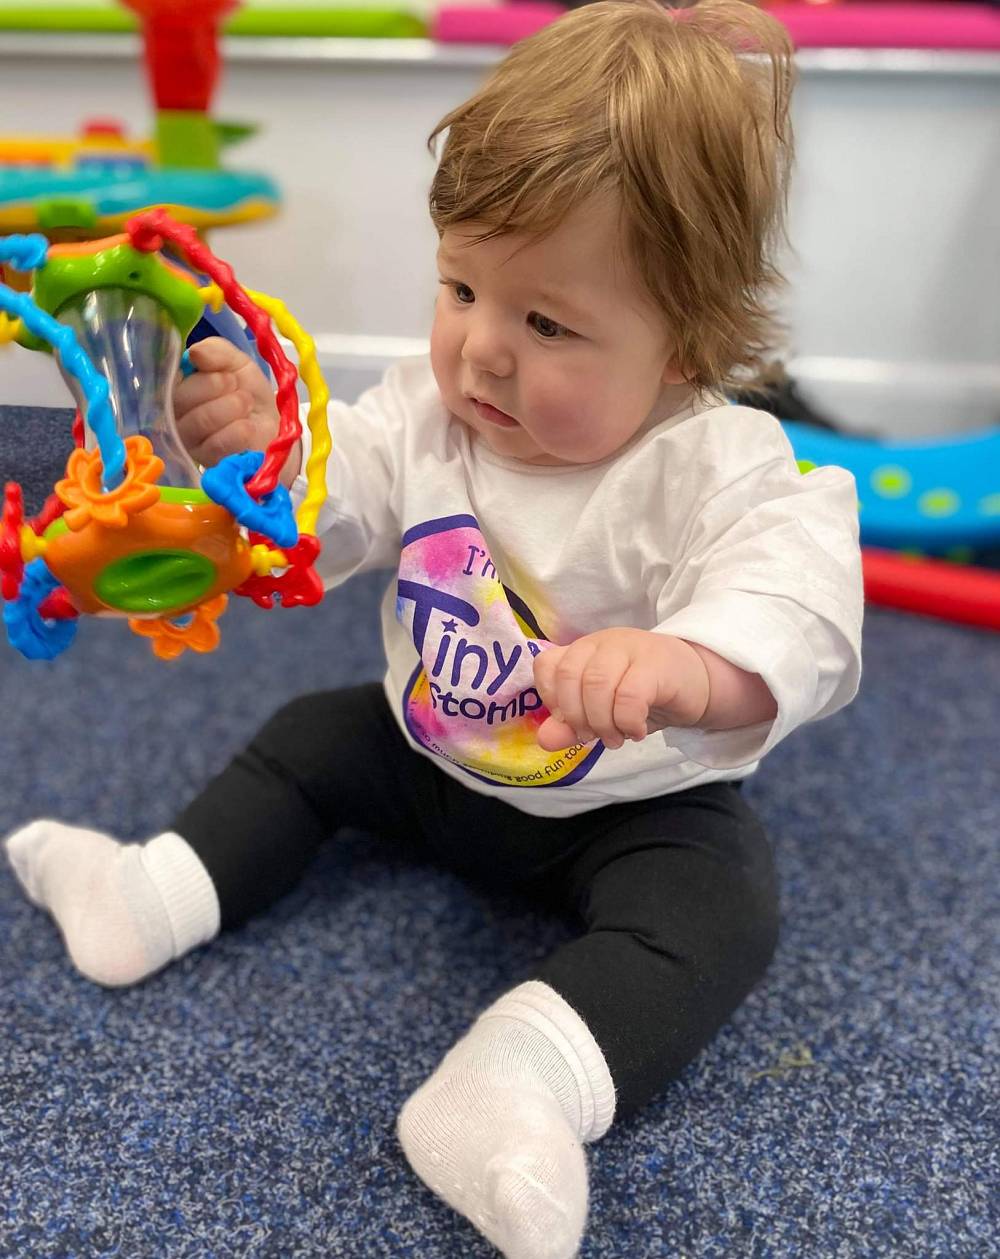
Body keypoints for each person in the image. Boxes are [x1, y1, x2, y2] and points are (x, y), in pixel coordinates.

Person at [4, 2, 863, 1256]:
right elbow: (328, 503)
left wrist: (688, 664)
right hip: (429, 748)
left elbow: (806, 604)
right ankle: (151, 892)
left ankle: (516, 1080)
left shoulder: (721, 463)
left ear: (686, 338)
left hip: (623, 802)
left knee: (725, 904)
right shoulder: (433, 408)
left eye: (548, 324)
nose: (481, 354)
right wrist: (257, 444)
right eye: (461, 287)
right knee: (306, 737)